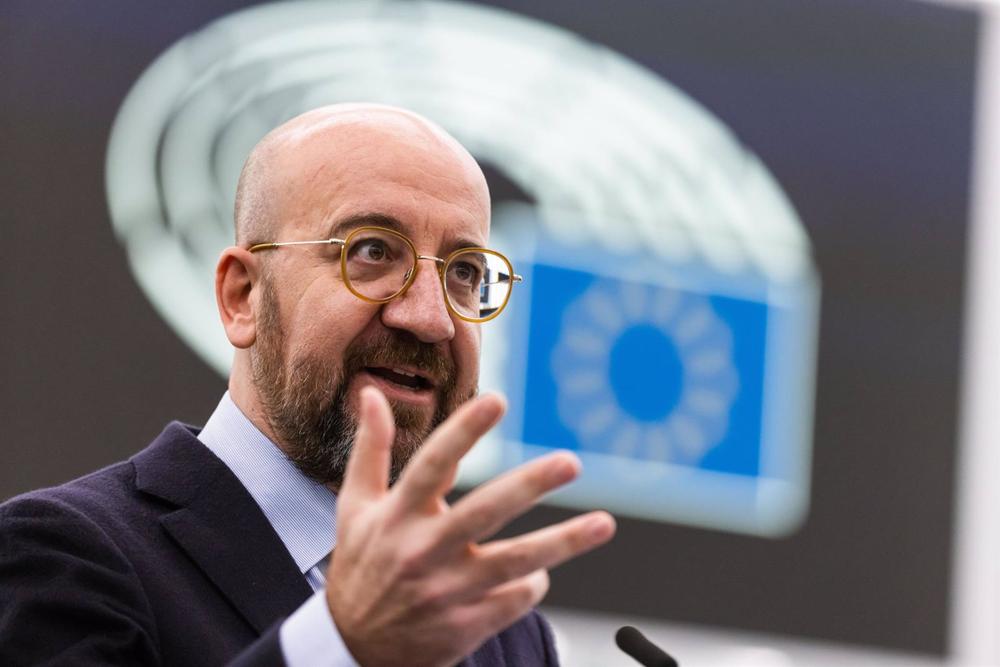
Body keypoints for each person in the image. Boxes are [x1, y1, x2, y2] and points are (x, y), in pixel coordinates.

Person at [0, 104, 616, 666]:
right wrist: (341, 645)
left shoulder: (508, 635)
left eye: (465, 272)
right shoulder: (63, 557)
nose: (430, 318)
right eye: (372, 250)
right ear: (243, 296)